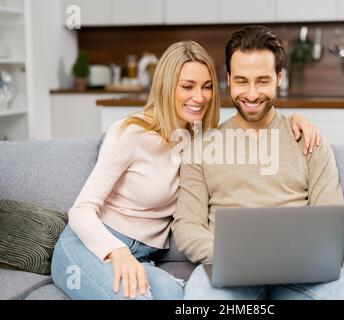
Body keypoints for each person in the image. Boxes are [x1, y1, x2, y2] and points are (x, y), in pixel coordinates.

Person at [51, 40, 322, 300]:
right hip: (93, 245)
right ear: (167, 87)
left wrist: (295, 120)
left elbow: (259, 120)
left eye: (206, 87)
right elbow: (81, 210)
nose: (199, 97)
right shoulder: (131, 133)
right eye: (187, 86)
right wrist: (116, 252)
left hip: (144, 255)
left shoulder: (199, 139)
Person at [172, 26, 344, 300]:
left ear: (279, 78)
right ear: (229, 79)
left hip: (300, 271)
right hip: (227, 269)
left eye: (262, 81)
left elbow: (331, 221)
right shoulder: (202, 147)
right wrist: (235, 255)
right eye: (242, 81)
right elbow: (187, 224)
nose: (252, 93)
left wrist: (293, 256)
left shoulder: (308, 140)